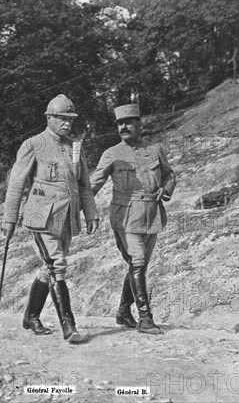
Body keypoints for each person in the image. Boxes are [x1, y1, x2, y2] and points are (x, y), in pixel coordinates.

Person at [2, 94, 99, 343]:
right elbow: (16, 184)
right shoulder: (33, 144)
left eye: (70, 119)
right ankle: (69, 324)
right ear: (49, 118)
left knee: (49, 267)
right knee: (58, 265)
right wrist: (10, 219)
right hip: (40, 217)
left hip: (66, 217)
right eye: (61, 118)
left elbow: (84, 185)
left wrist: (91, 214)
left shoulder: (74, 147)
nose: (66, 123)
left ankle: (31, 316)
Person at [90, 104, 176, 334]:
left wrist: (166, 190)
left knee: (139, 265)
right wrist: (76, 206)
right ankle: (145, 318)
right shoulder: (111, 153)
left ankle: (123, 311)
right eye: (120, 123)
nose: (124, 127)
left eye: (129, 123)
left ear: (140, 125)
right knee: (137, 262)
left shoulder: (155, 149)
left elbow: (169, 174)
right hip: (126, 215)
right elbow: (93, 184)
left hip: (152, 214)